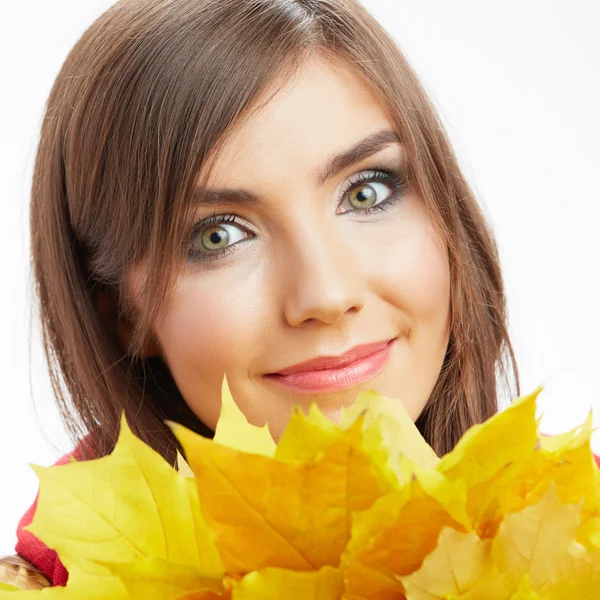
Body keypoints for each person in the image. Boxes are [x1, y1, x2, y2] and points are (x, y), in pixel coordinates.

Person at [0, 0, 524, 589]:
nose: (326, 294)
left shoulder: (578, 539)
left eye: (367, 193)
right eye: (218, 234)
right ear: (122, 315)